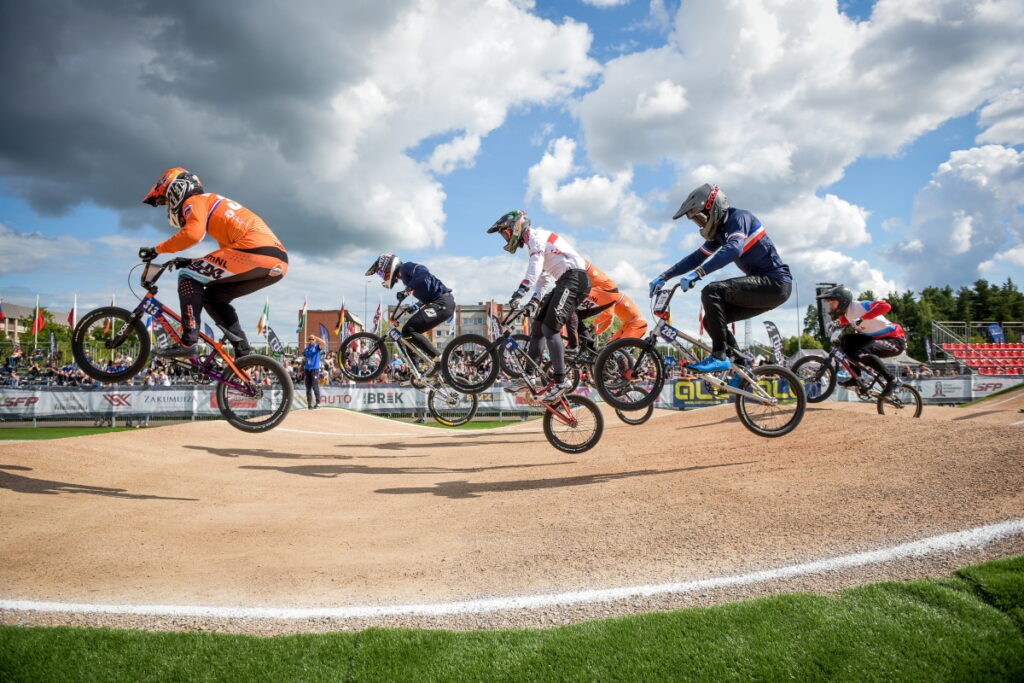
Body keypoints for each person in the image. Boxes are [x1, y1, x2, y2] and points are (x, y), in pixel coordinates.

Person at [139, 167, 288, 358]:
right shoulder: (216, 208)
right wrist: (190, 261)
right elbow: (227, 257)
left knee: (187, 276)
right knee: (213, 298)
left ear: (177, 190)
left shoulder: (194, 201)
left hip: (254, 250)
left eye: (167, 201)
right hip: (277, 260)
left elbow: (193, 235)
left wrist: (156, 250)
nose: (169, 207)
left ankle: (188, 342)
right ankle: (244, 355)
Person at [649, 184, 792, 373]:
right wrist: (664, 276)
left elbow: (734, 249)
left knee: (712, 291)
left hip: (775, 283)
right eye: (696, 221)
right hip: (768, 288)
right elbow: (696, 257)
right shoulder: (720, 234)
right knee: (711, 321)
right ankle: (741, 368)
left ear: (713, 207)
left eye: (700, 218)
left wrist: (699, 273)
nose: (700, 225)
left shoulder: (739, 218)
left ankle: (719, 355)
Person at [487, 210, 590, 402]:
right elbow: (543, 279)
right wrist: (533, 301)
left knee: (550, 328)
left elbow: (535, 266)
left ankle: (561, 380)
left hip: (575, 279)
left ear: (516, 227)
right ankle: (529, 375)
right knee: (537, 327)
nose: (506, 238)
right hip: (564, 281)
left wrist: (522, 289)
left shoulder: (537, 237)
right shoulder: (534, 244)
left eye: (505, 233)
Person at [365, 254, 454, 377]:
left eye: (383, 273)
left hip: (442, 303)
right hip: (440, 303)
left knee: (409, 329)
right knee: (408, 335)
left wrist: (407, 290)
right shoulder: (406, 279)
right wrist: (415, 306)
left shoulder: (405, 267)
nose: (384, 276)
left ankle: (439, 358)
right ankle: (417, 372)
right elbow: (428, 295)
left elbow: (423, 272)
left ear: (389, 266)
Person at [816, 284, 906, 397]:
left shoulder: (860, 306)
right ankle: (857, 377)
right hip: (875, 338)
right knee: (846, 340)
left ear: (842, 300)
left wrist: (862, 318)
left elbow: (886, 306)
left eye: (832, 302)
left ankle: (892, 379)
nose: (831, 305)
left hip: (895, 340)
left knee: (862, 351)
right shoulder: (848, 312)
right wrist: (836, 322)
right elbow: (847, 319)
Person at [568, 260, 648, 354]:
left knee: (620, 350)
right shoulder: (608, 299)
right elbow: (610, 319)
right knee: (609, 348)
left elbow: (608, 314)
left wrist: (595, 323)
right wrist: (598, 331)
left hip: (638, 324)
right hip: (627, 324)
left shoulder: (609, 298)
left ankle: (626, 365)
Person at [303, 334, 325, 409]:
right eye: (309, 339)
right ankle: (309, 403)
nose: (311, 340)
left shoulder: (317, 347)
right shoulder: (306, 348)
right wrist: (300, 370)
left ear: (315, 340)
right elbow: (304, 360)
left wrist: (316, 337)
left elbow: (323, 343)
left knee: (315, 386)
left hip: (314, 369)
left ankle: (318, 403)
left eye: (312, 339)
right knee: (308, 387)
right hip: (307, 369)